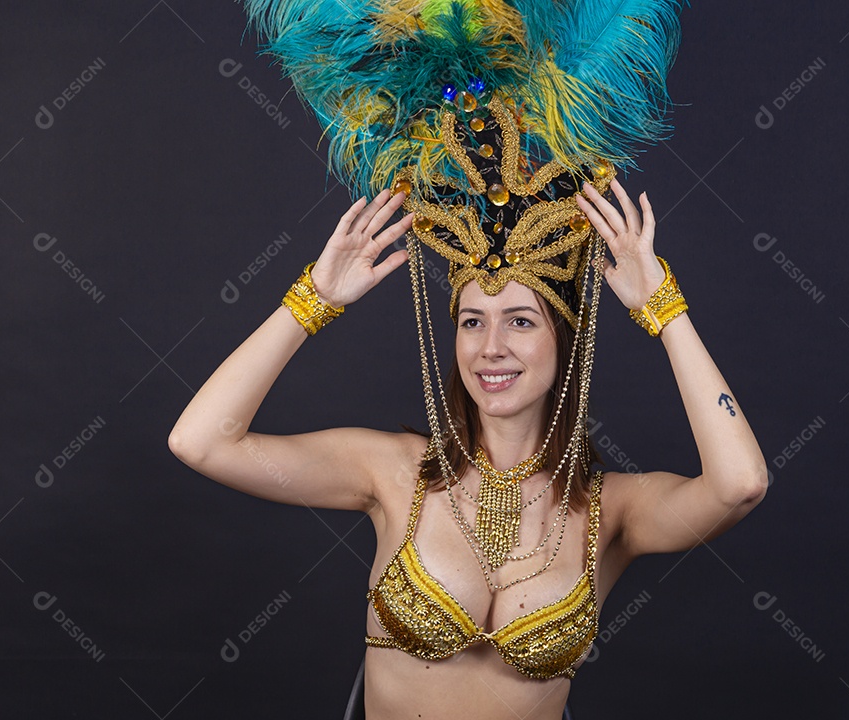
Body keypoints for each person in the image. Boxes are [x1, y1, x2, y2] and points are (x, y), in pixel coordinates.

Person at [170, 2, 768, 717]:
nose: (492, 348)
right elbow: (201, 440)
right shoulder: (393, 475)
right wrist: (314, 299)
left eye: (520, 321)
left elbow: (739, 484)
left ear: (562, 338)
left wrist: (661, 307)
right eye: (473, 322)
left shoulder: (612, 513)